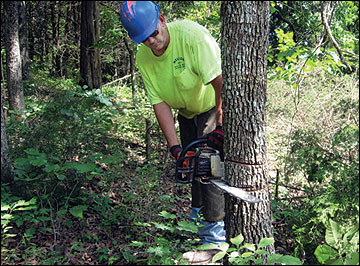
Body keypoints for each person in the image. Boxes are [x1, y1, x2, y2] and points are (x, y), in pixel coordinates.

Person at [120, 1, 225, 263]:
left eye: (154, 33)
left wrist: (221, 124)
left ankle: (215, 239)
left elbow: (220, 82)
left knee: (209, 165)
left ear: (163, 20)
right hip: (186, 112)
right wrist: (175, 148)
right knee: (191, 165)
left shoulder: (193, 37)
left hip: (211, 105)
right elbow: (159, 103)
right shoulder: (144, 58)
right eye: (144, 39)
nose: (152, 42)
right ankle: (198, 221)